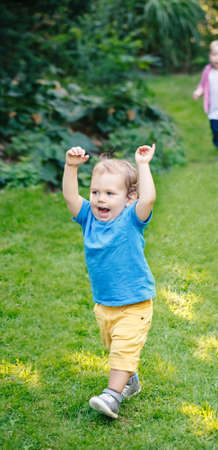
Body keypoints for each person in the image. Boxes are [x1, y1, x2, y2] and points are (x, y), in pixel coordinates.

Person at [62, 144, 156, 419]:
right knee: (117, 349)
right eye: (95, 192)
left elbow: (148, 199)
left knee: (123, 349)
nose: (100, 199)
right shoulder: (88, 217)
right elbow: (69, 196)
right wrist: (71, 167)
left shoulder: (131, 219)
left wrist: (143, 165)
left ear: (129, 198)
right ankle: (130, 381)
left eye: (109, 194)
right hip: (104, 304)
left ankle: (112, 396)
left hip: (135, 303)